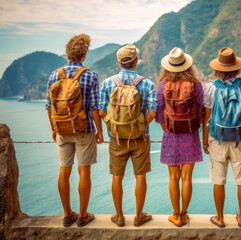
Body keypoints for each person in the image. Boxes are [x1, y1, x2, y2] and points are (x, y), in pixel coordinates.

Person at [45, 33, 104, 227]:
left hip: (62, 129)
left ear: (67, 52)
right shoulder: (90, 75)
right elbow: (95, 108)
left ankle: (68, 214)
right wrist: (100, 131)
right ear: (84, 53)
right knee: (84, 172)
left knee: (64, 170)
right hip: (84, 129)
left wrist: (54, 128)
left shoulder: (55, 75)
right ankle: (83, 215)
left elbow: (49, 106)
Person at [98, 44, 158, 227]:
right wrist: (139, 126)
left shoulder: (108, 83)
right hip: (140, 138)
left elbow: (100, 111)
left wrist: (114, 126)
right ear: (136, 61)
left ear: (119, 62)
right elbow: (154, 111)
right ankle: (139, 216)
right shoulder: (147, 83)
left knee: (117, 176)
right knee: (140, 176)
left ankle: (119, 216)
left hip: (116, 139)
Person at [203, 47, 241, 228]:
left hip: (217, 138)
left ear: (217, 67)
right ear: (237, 67)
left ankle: (219, 218)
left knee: (218, 180)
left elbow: (206, 117)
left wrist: (205, 140)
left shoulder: (210, 87)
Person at [155, 47, 203, 227]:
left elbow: (159, 113)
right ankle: (184, 213)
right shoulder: (196, 84)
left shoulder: (163, 85)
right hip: (191, 135)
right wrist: (194, 126)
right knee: (187, 178)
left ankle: (176, 216)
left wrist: (168, 127)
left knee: (173, 177)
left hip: (171, 135)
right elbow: (201, 110)